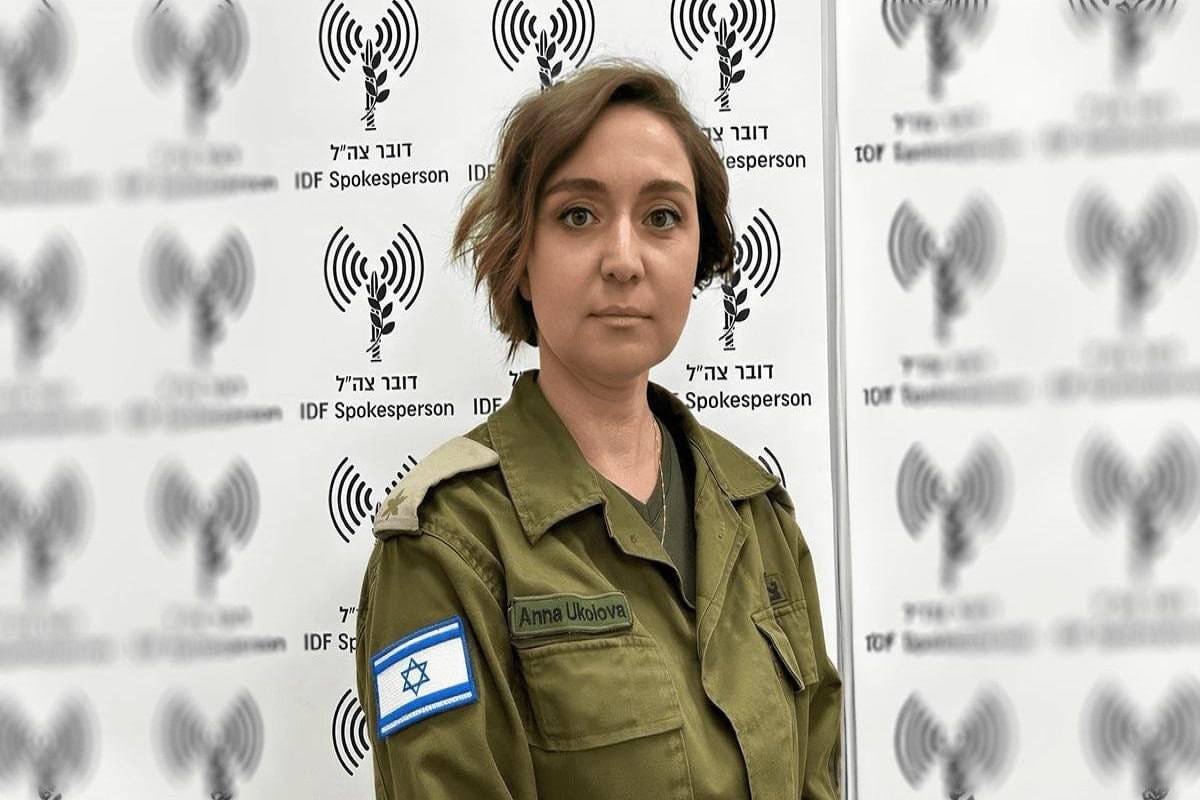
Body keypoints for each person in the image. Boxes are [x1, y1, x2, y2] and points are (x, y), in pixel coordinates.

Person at [354, 58, 842, 800]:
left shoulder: (757, 514)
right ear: (521, 257)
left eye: (662, 217)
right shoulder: (449, 541)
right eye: (578, 216)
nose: (623, 260)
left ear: (701, 254)